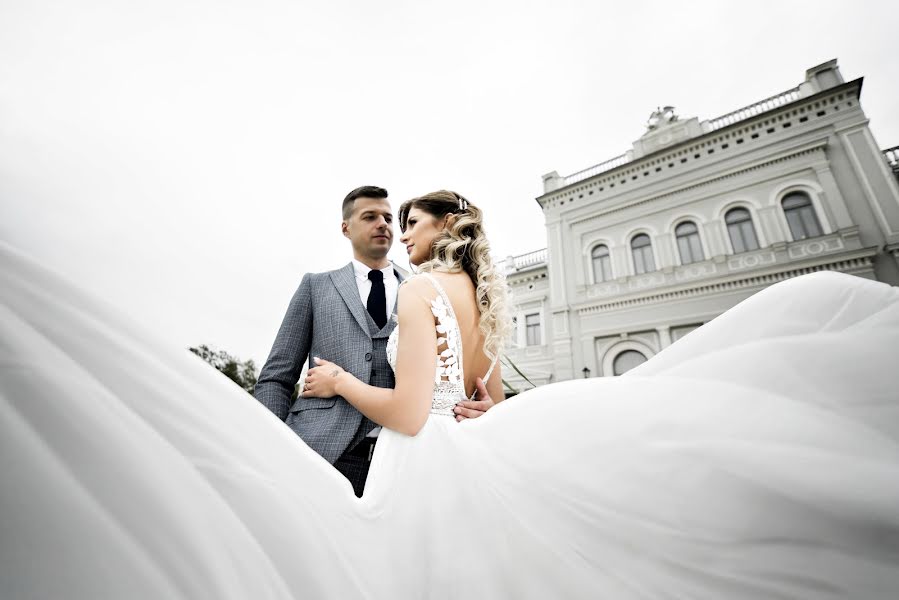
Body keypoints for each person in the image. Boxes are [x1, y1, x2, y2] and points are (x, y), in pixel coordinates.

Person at [2, 190, 899, 598]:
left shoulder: (426, 290)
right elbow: (487, 397)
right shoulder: (478, 300)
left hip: (420, 464)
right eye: (386, 221)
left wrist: (342, 378)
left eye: (412, 222)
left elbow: (406, 409)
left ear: (434, 233)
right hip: (464, 450)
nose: (399, 233)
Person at [254, 186, 494, 496]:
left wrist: (485, 410)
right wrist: (273, 446)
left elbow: (465, 377)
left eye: (388, 218)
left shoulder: (428, 289)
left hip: (403, 462)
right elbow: (275, 378)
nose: (383, 224)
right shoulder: (315, 287)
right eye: (370, 217)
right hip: (316, 453)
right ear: (346, 228)